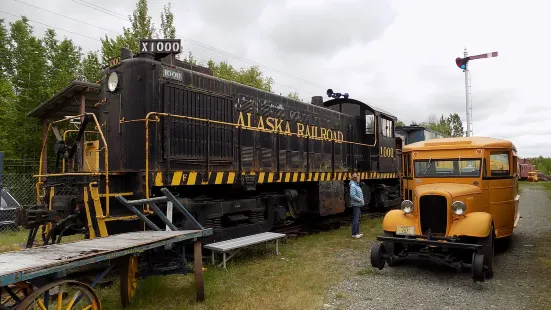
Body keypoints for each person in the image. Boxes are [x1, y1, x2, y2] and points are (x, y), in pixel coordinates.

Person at [349, 172, 364, 238]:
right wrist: (360, 200)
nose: (359, 178)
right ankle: (354, 234)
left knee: (358, 219)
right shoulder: (353, 185)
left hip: (358, 204)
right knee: (356, 219)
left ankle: (357, 233)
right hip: (356, 204)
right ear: (355, 178)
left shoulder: (356, 185)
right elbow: (352, 195)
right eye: (358, 177)